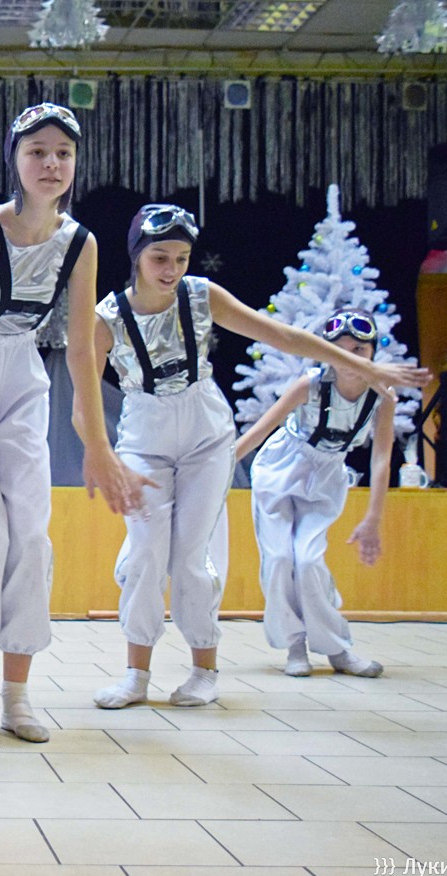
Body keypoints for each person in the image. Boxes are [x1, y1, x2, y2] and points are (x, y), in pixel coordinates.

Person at [90, 205, 428, 709]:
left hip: (205, 433)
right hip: (143, 434)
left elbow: (282, 335)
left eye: (181, 258)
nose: (171, 269)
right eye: (160, 257)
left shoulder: (201, 296)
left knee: (191, 559)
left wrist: (366, 367)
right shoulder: (109, 317)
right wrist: (99, 452)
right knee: (144, 554)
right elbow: (83, 392)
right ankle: (136, 674)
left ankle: (203, 670)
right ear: (136, 256)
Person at [0, 103, 147, 743]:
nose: (51, 164)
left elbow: (82, 351)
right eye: (37, 152)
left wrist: (98, 446)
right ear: (15, 160)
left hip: (23, 379)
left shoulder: (80, 243)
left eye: (63, 153)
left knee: (30, 536)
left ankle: (17, 694)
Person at [235, 307, 393, 678]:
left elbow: (381, 459)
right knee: (278, 558)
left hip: (326, 475)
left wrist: (373, 518)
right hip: (282, 467)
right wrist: (217, 465)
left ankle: (336, 648)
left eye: (359, 350)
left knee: (307, 560)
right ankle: (294, 645)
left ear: (373, 352)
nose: (349, 359)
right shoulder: (310, 384)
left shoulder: (382, 397)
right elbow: (260, 430)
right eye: (339, 350)